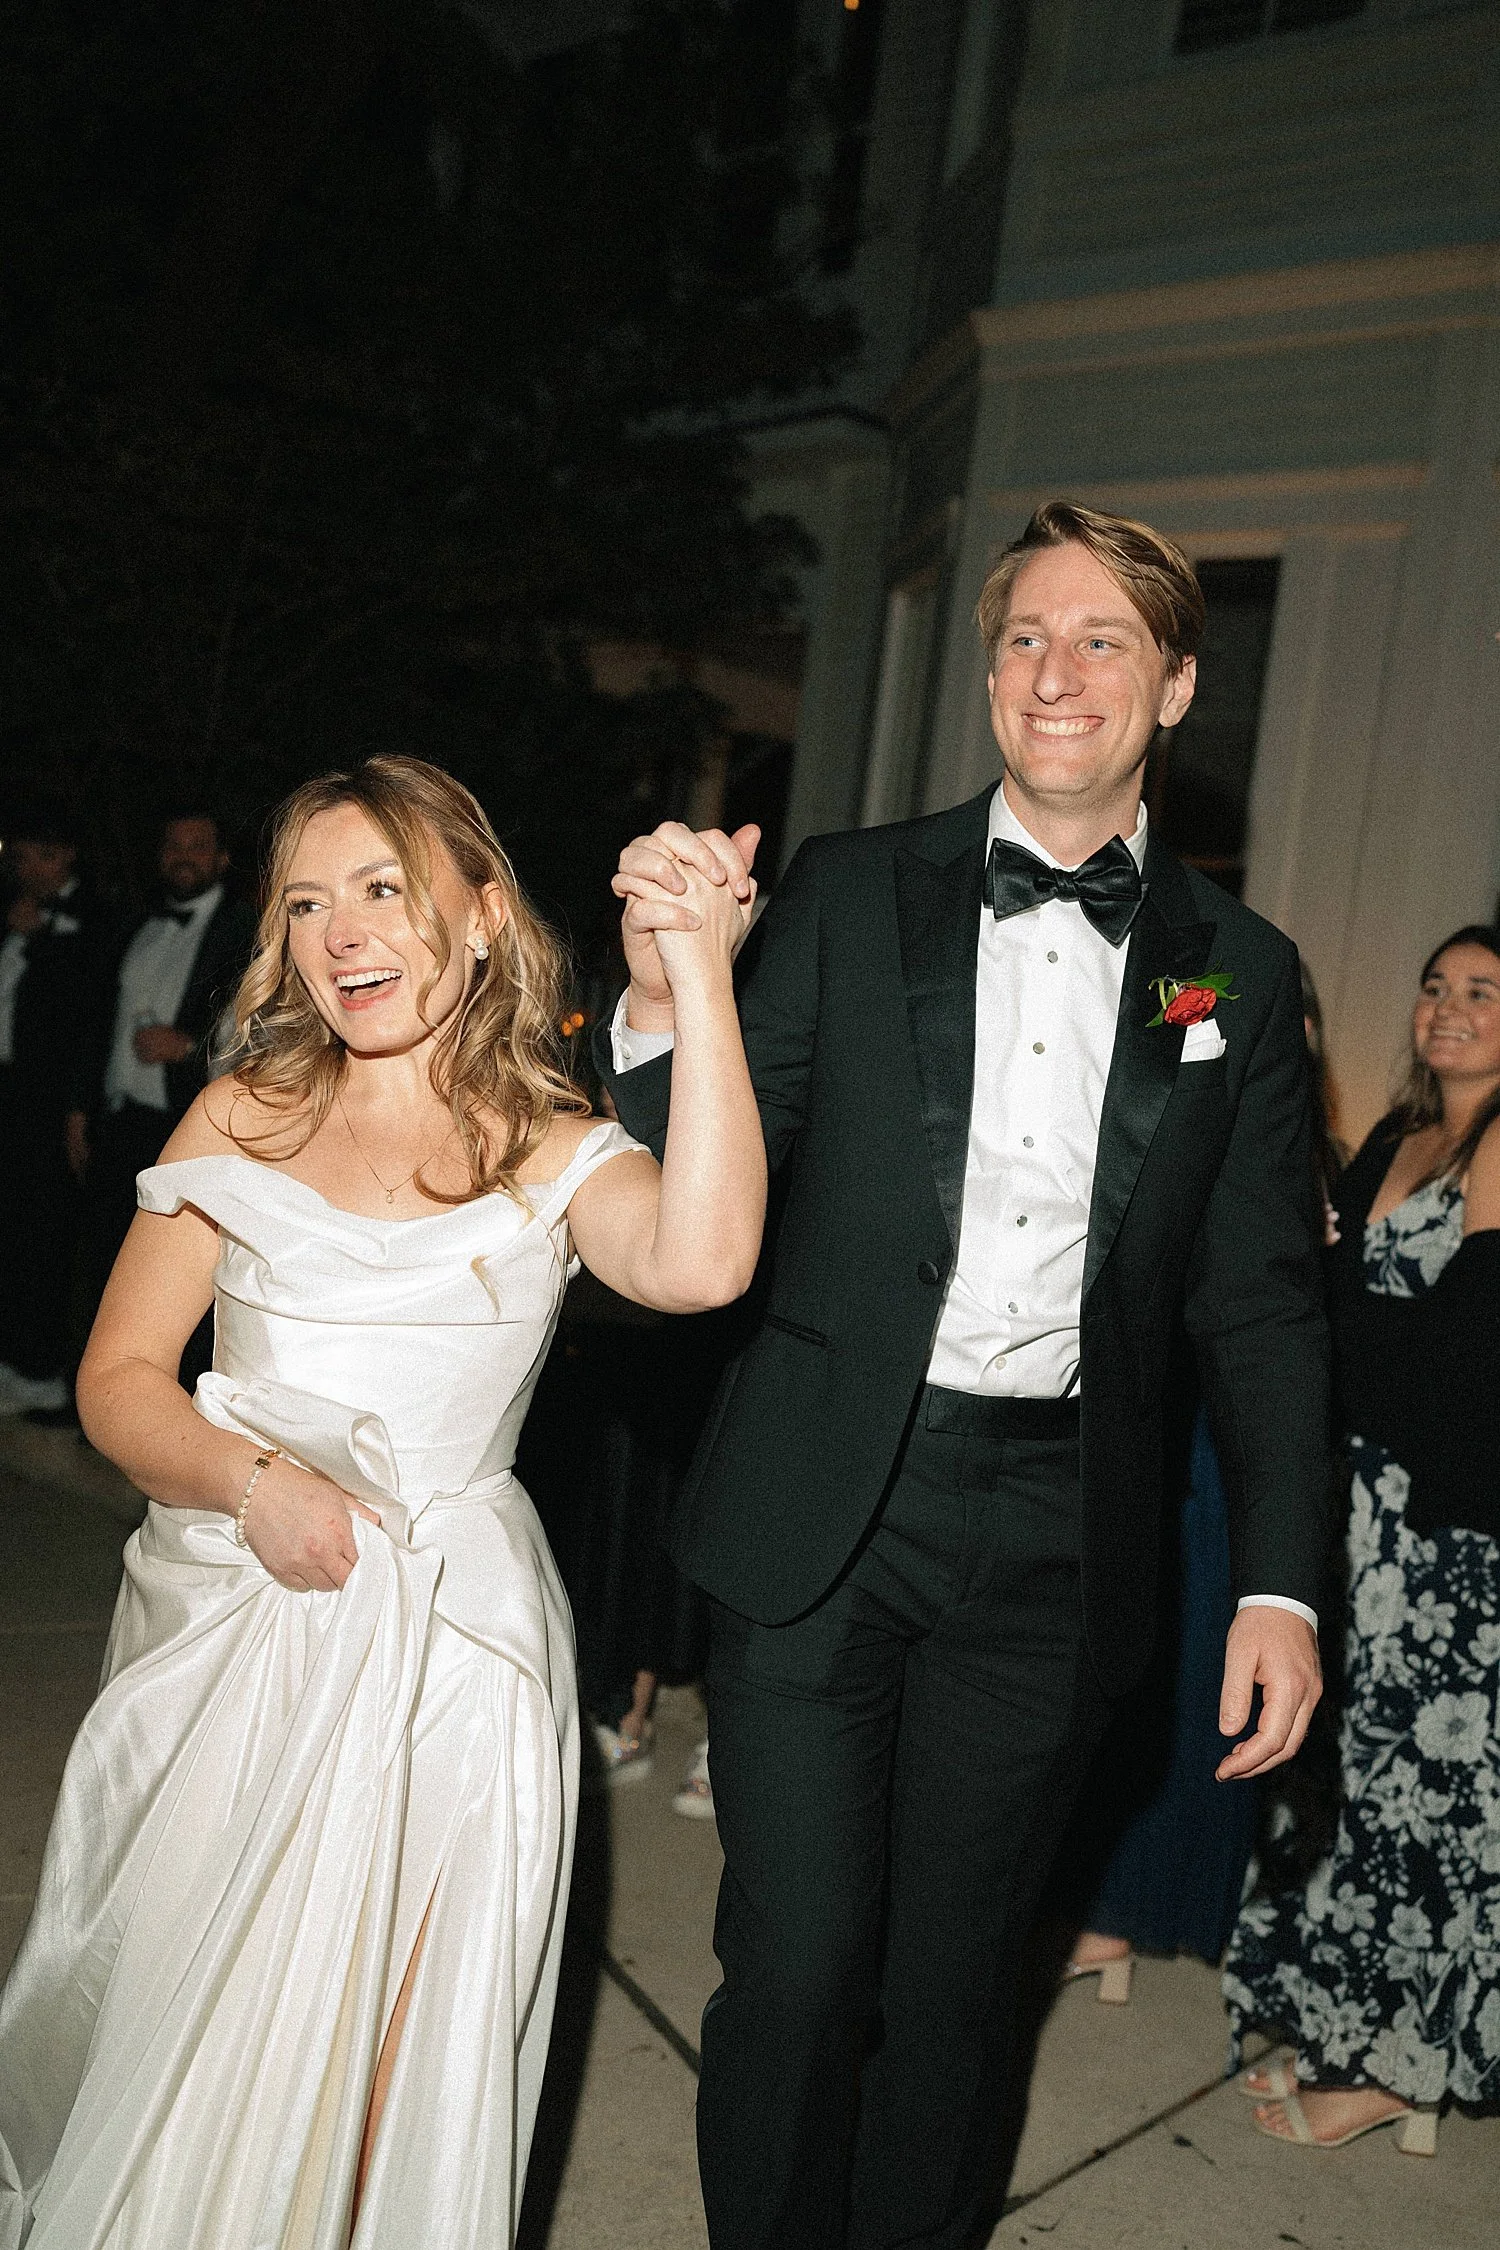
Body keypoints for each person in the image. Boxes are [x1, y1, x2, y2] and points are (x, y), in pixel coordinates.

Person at [603, 501, 1331, 2249]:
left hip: (1060, 1535)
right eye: (1023, 637)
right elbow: (678, 1167)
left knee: (955, 1988)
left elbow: (1265, 1306)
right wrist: (660, 998)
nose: (1053, 671)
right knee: (794, 1965)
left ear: (1174, 689)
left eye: (1101, 641)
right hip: (827, 1504)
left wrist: (1288, 1586)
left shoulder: (1236, 968)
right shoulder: (851, 893)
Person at [0, 754, 764, 2249]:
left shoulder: (545, 1140)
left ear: (481, 918)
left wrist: (702, 980)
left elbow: (704, 1261)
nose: (343, 932)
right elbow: (119, 1380)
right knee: (202, 2030)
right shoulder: (238, 1116)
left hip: (456, 1659)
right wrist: (257, 1479)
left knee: (399, 2064)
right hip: (240, 1634)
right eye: (306, 901)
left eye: (383, 891)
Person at [1224, 925, 1500, 2156]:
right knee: (1340, 1775)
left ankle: (1405, 2065)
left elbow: (1469, 1351)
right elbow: (1304, 1292)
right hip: (1355, 1505)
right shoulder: (1401, 1135)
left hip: (1448, 1529)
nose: (1448, 1008)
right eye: (1437, 985)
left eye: (1483, 993)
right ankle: (1335, 2012)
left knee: (1424, 1796)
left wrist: (1337, 1312)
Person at [1063, 961, 1347, 1997]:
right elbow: (1153, 1005)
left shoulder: (1315, 1162)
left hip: (1226, 1446)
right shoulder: (1194, 1008)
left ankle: (1135, 1910)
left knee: (1196, 1682)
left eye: (1299, 1033)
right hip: (1146, 1419)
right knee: (1129, 1671)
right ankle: (1100, 1898)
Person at [70, 806, 257, 1324]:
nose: (183, 857)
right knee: (103, 1266)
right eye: (173, 846)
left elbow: (268, 1037)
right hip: (120, 1121)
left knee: (178, 1285)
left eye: (197, 846)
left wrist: (189, 1049)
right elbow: (96, 1022)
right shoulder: (134, 922)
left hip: (188, 1125)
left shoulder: (248, 933)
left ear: (221, 858)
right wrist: (81, 1110)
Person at [0, 802, 93, 1418]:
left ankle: (42, 1368)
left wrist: (76, 1111)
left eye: (29, 853)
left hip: (50, 1100)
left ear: (61, 858)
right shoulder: (12, 915)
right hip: (9, 1092)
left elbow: (83, 1023)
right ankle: (13, 1359)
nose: (17, 864)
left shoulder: (93, 918)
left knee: (44, 1231)